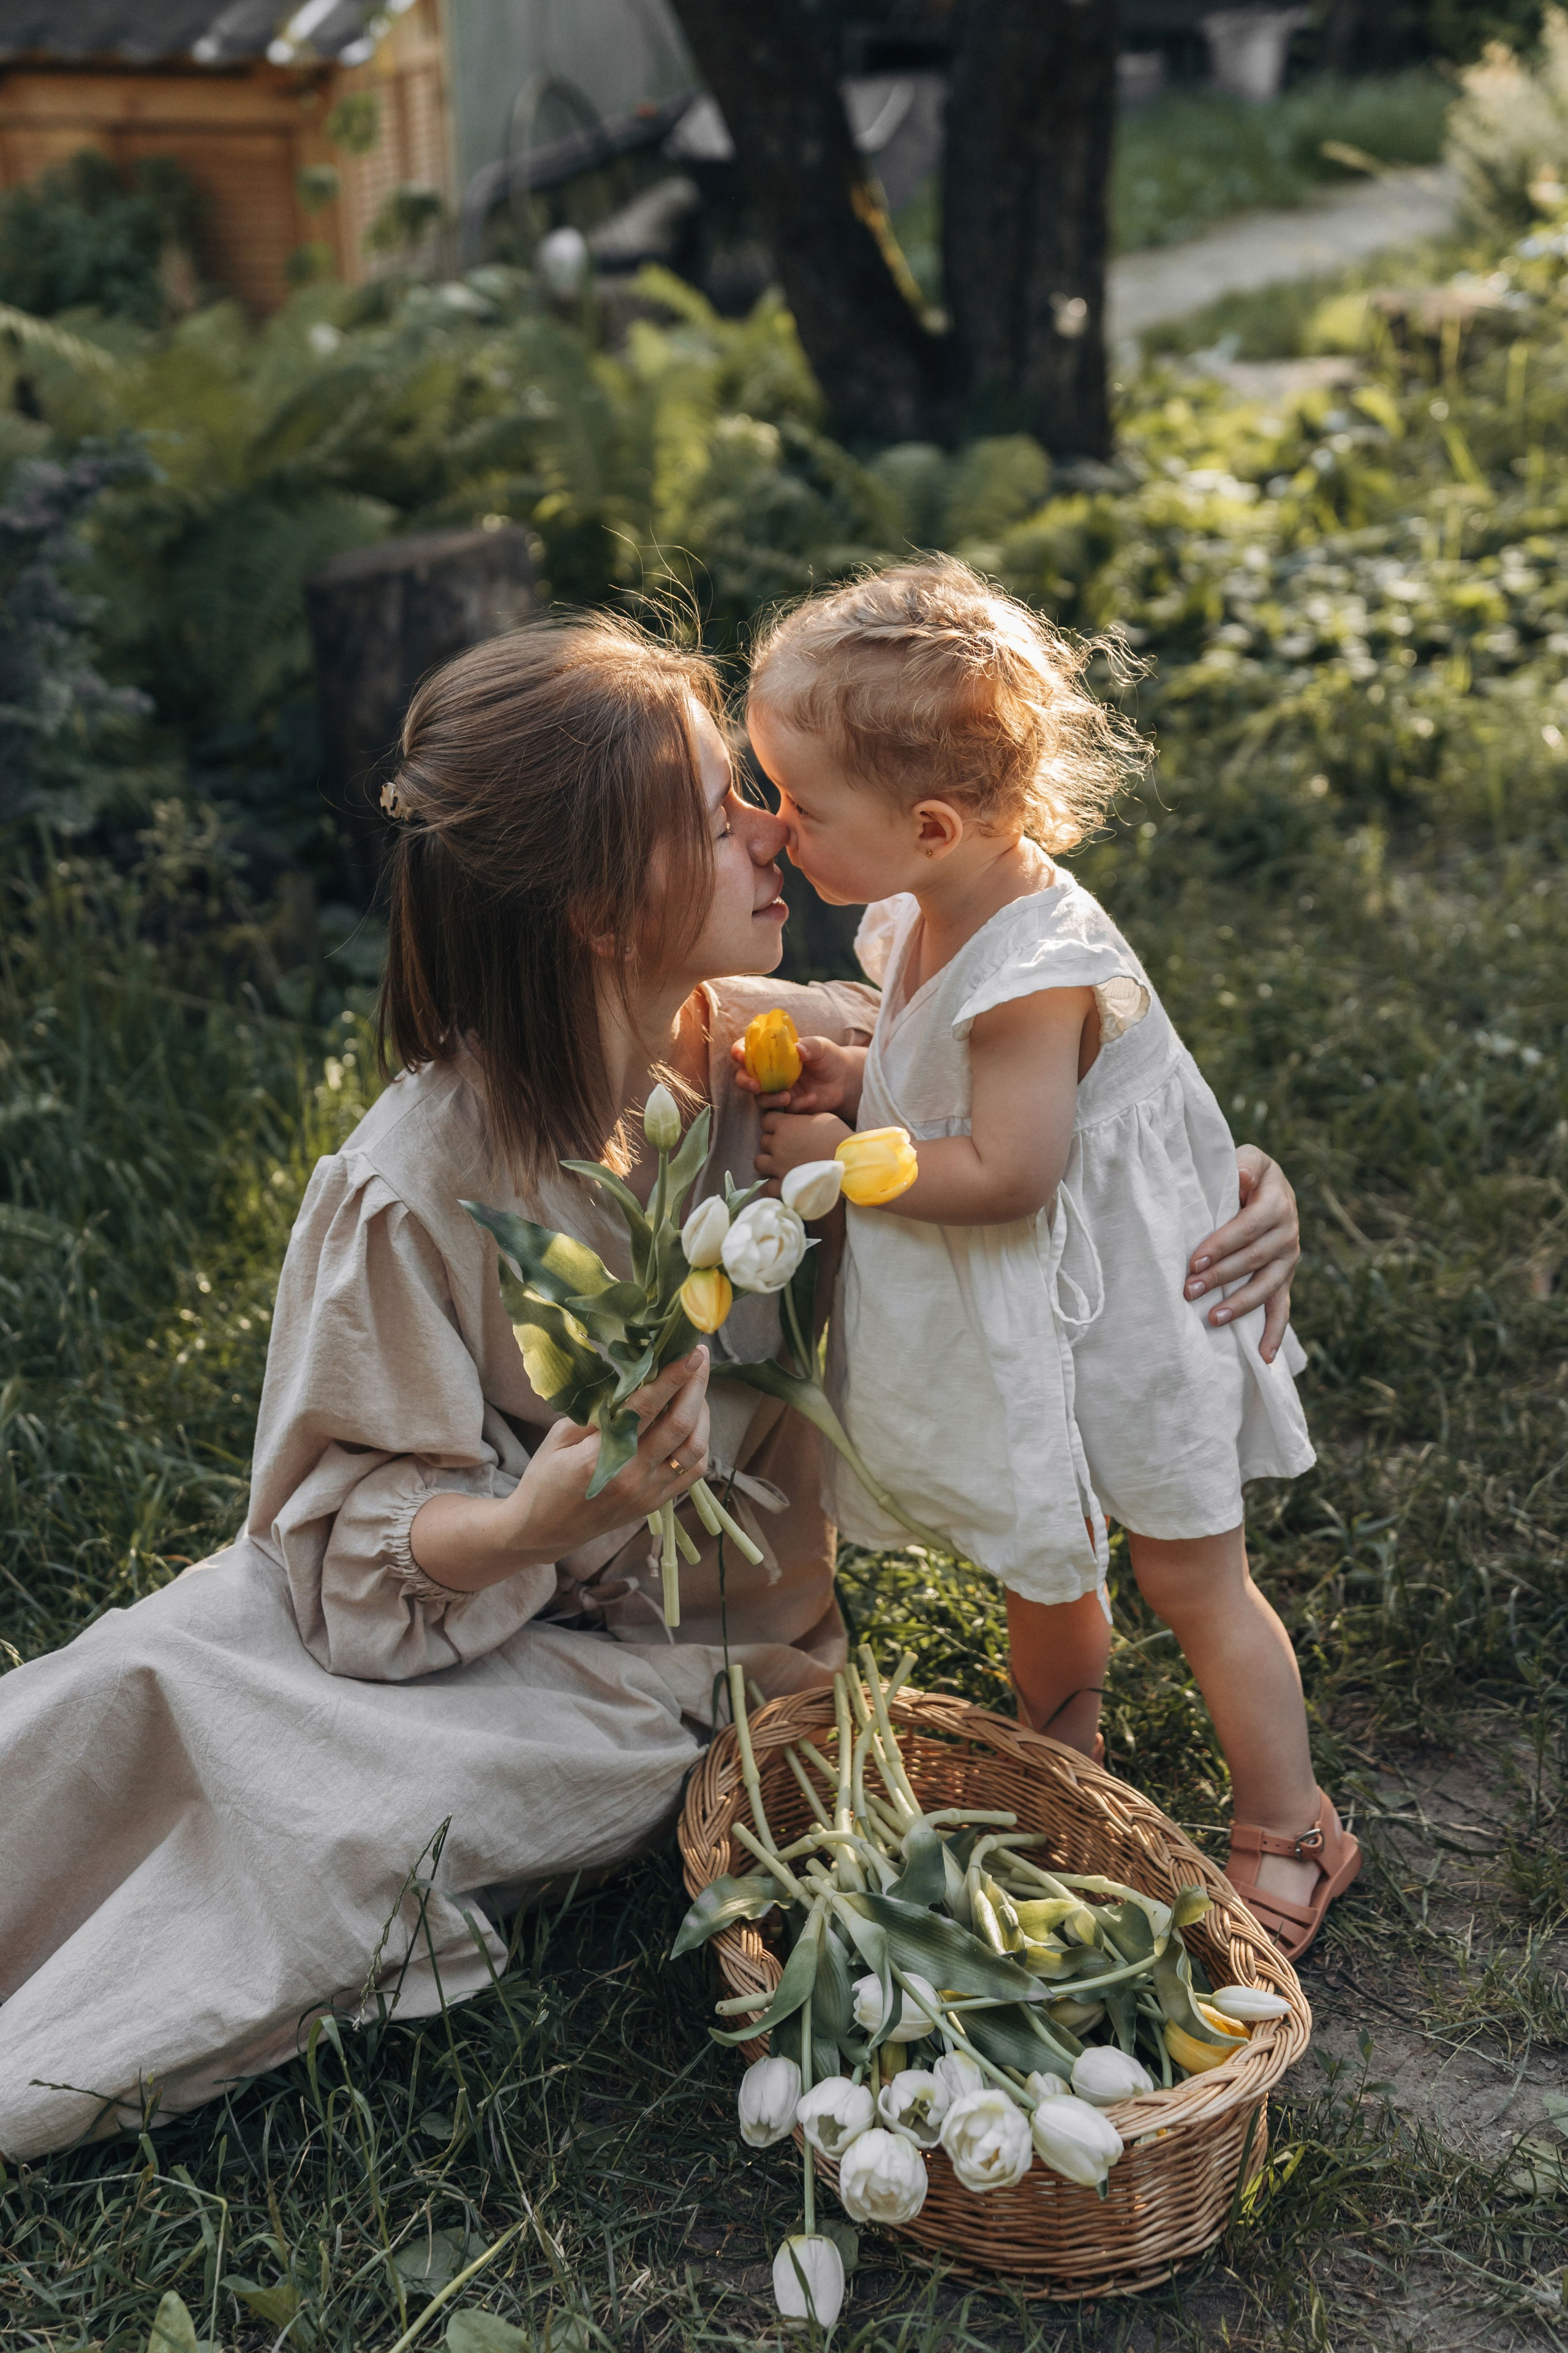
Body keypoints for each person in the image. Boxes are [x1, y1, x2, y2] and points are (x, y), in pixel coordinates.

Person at [0, 615, 1303, 2162]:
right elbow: (335, 1547)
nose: (773, 829)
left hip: (654, 1672)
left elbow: (1053, 1126)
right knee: (144, 1672)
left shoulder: (782, 1063)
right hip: (440, 1593)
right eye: (717, 811)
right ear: (605, 913)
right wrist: (539, 1513)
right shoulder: (416, 1183)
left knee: (331, 1828)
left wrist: (1235, 1186)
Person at [739, 559, 1360, 1960]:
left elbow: (1009, 1167)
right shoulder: (924, 908)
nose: (777, 831)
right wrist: (861, 1069)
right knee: (1046, 1556)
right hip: (1044, 1312)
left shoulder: (1034, 965)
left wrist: (842, 1164)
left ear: (931, 821)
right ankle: (1059, 1755)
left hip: (1138, 1306)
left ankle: (1290, 1822)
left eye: (798, 803)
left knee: (1190, 1573)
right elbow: (931, 1084)